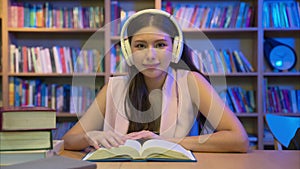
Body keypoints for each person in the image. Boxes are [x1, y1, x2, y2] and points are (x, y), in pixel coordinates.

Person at [62, 9, 249, 153]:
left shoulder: (192, 81)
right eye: (140, 46)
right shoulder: (114, 87)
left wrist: (163, 143)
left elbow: (239, 139)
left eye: (160, 45)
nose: (150, 55)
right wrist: (89, 137)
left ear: (175, 48)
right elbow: (70, 139)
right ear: (128, 51)